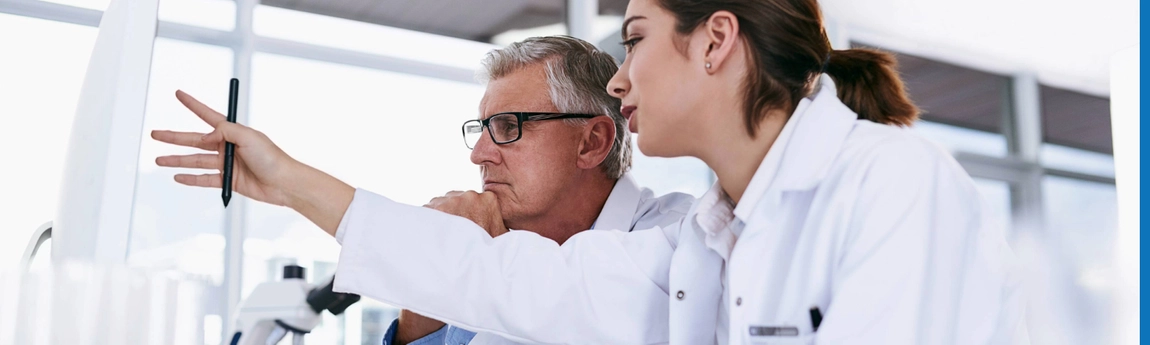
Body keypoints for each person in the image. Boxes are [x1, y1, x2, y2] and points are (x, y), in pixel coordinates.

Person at [154, 0, 1022, 343]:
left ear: (716, 41)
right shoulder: (705, 240)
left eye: (636, 40)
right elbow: (503, 282)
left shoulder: (892, 184)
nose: (619, 77)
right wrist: (287, 177)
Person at [383, 36, 693, 345]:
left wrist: (498, 263)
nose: (479, 154)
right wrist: (428, 280)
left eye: (509, 127)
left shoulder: (682, 246)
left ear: (592, 142)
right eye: (484, 129)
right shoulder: (483, 242)